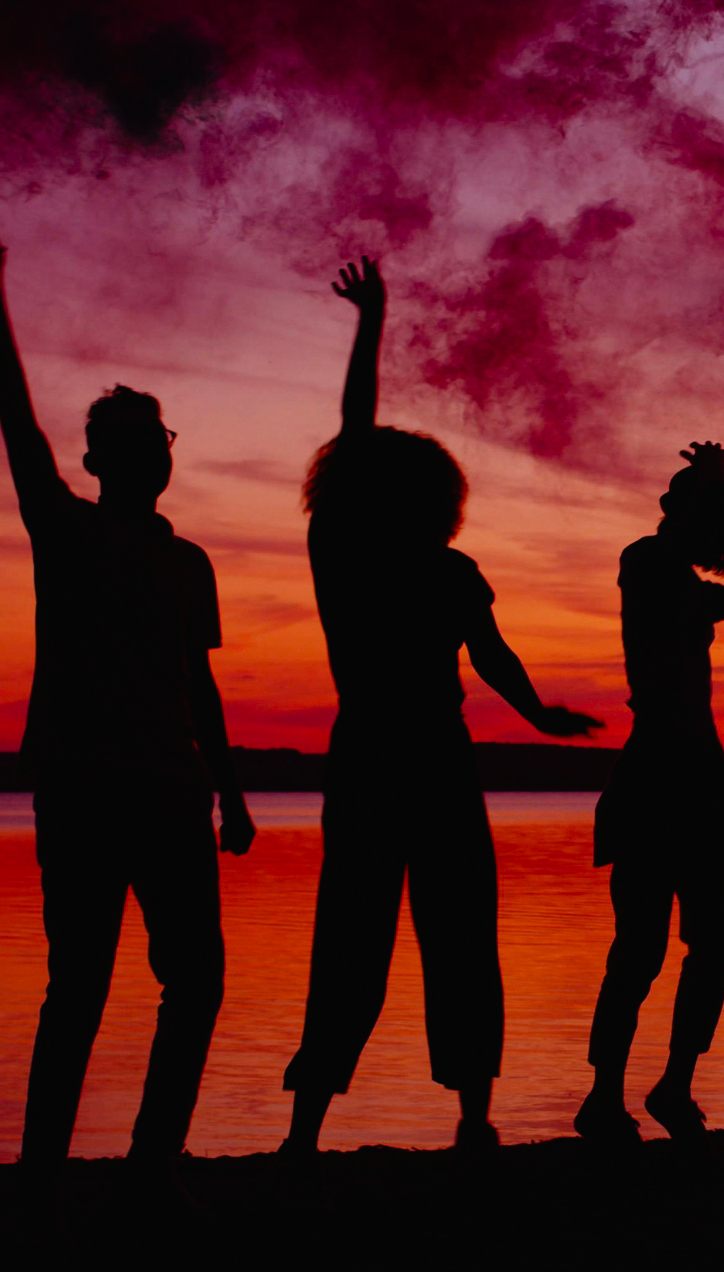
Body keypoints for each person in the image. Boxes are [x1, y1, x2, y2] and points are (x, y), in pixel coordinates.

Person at [281, 257, 601, 1155]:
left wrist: (538, 714)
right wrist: (370, 323)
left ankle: (461, 1121)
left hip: (416, 755)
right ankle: (330, 1133)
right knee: (382, 936)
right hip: (394, 754)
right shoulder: (350, 552)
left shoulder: (426, 567)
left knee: (435, 933)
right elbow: (354, 433)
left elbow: (492, 654)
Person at [0, 243, 256, 1165]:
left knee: (197, 982)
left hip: (174, 792)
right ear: (97, 459)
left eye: (159, 439)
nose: (152, 452)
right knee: (79, 988)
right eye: (133, 441)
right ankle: (41, 1179)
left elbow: (199, 683)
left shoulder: (188, 563)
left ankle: (153, 1163)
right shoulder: (65, 528)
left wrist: (230, 794)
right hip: (82, 787)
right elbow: (17, 423)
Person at [574, 442, 724, 1144]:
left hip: (698, 779)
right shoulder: (647, 562)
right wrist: (712, 494)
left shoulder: (687, 583)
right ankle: (604, 1095)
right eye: (723, 525)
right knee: (639, 949)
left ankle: (674, 1086)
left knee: (713, 945)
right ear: (690, 517)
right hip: (655, 775)